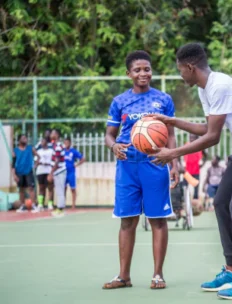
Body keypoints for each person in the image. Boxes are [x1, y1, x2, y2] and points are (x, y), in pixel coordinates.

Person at [149, 42, 232, 300]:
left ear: (190, 67)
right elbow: (207, 128)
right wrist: (173, 122)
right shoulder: (204, 89)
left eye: (180, 71)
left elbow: (212, 138)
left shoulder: (219, 85)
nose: (180, 76)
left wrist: (173, 153)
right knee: (221, 202)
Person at [102, 50, 179, 290]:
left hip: (155, 164)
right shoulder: (119, 101)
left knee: (157, 219)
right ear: (129, 74)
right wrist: (114, 146)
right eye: (137, 70)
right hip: (127, 166)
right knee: (127, 221)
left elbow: (171, 133)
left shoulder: (163, 99)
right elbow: (109, 134)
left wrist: (175, 162)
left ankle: (158, 275)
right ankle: (123, 276)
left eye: (147, 69)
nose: (143, 73)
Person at [12, 134, 40, 213]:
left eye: (26, 138)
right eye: (23, 138)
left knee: (31, 188)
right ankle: (22, 206)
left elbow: (38, 157)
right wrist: (14, 174)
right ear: (19, 140)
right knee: (21, 189)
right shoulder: (15, 150)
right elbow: (13, 164)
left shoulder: (30, 148)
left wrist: (36, 164)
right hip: (19, 172)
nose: (25, 139)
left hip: (28, 171)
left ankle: (33, 205)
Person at [48, 129, 67, 217]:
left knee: (60, 191)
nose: (51, 135)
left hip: (59, 171)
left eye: (53, 133)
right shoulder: (55, 145)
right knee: (59, 190)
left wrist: (51, 173)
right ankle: (60, 208)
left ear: (57, 135)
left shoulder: (58, 146)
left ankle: (60, 209)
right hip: (58, 172)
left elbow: (57, 161)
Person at [64, 137, 85, 209]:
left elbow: (83, 159)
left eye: (67, 142)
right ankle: (63, 204)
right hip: (63, 172)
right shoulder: (62, 151)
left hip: (71, 172)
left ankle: (73, 205)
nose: (66, 144)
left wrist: (76, 165)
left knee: (72, 189)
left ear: (70, 143)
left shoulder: (73, 151)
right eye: (65, 142)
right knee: (64, 188)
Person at [183, 133, 205, 200]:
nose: (191, 139)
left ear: (196, 139)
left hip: (196, 171)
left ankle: (195, 203)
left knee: (196, 189)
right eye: (190, 137)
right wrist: (182, 163)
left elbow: (206, 155)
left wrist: (202, 164)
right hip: (187, 171)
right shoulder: (186, 145)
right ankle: (185, 200)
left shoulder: (199, 146)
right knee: (185, 187)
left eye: (193, 138)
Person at [35, 137, 54, 211]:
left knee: (50, 187)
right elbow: (36, 161)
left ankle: (50, 203)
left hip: (48, 170)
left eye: (43, 141)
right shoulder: (39, 151)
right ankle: (40, 204)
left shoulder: (51, 151)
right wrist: (38, 163)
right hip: (40, 170)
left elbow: (53, 160)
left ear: (46, 142)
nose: (42, 142)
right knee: (41, 187)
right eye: (41, 141)